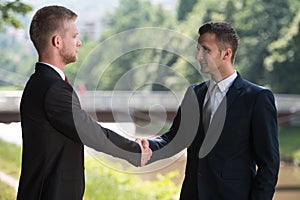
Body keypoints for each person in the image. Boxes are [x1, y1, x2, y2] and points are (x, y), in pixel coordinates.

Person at [17, 5, 151, 200]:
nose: (79, 43)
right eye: (74, 36)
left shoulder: (40, 83)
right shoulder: (53, 89)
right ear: (57, 41)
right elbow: (90, 132)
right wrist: (134, 151)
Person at [139, 22, 280, 199]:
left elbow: (269, 165)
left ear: (226, 54)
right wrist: (149, 146)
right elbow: (175, 138)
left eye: (206, 50)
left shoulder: (257, 98)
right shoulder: (194, 93)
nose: (198, 56)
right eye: (198, 49)